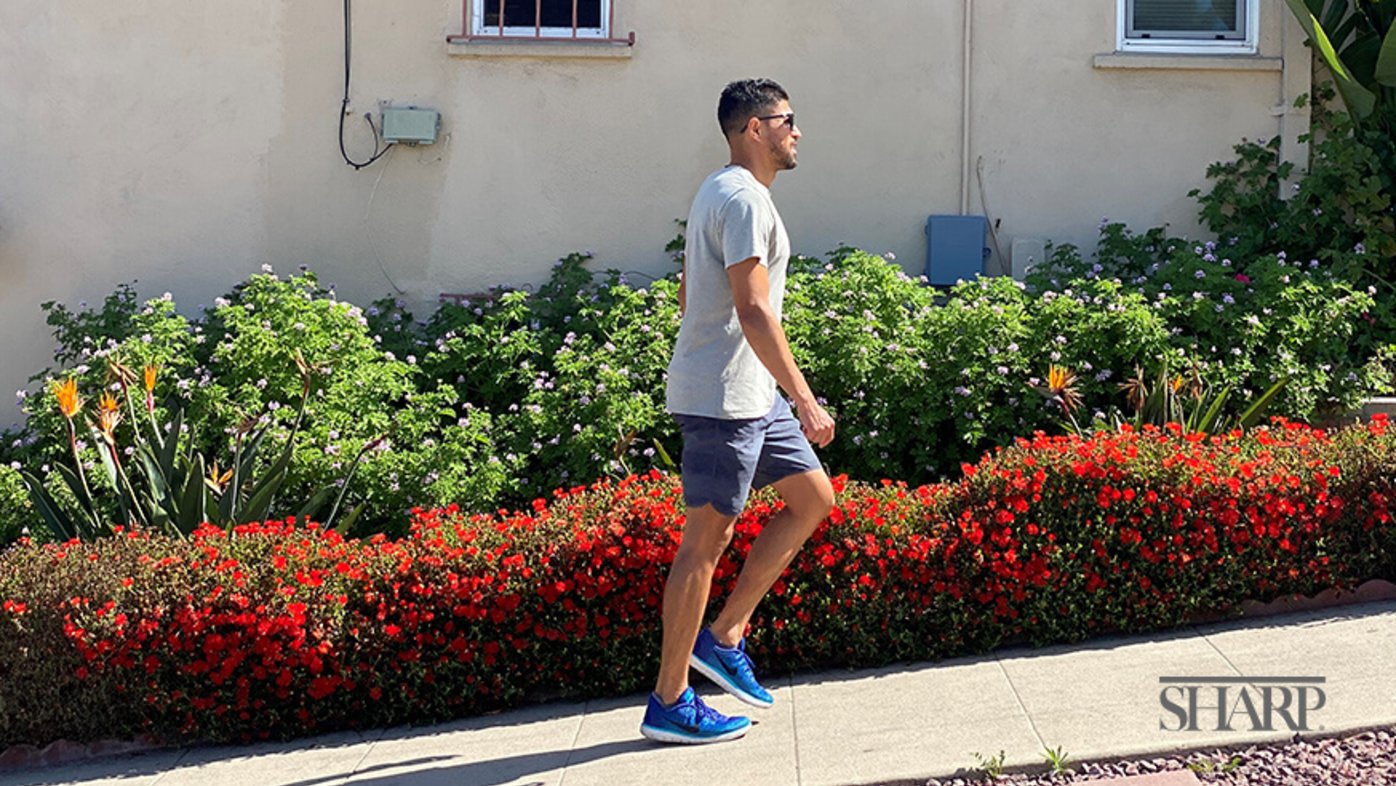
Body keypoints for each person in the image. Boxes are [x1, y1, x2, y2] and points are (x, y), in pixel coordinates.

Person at [640, 78, 837, 745]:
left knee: (813, 499)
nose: (797, 131)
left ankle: (723, 636)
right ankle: (670, 701)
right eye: (787, 120)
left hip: (750, 391)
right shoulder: (744, 200)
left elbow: (690, 289)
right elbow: (752, 307)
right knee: (706, 543)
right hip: (726, 400)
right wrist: (805, 397)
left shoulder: (718, 191)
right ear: (753, 128)